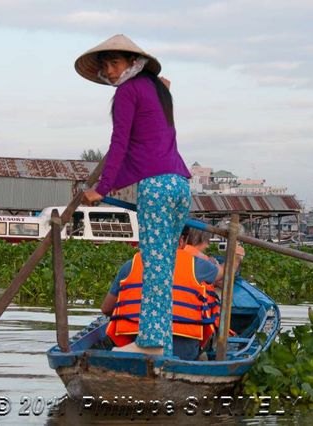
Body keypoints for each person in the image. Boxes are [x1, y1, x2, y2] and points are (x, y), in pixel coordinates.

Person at [76, 34, 192, 356]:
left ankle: (151, 344)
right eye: (106, 66)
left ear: (131, 63)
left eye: (115, 63)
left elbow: (120, 144)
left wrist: (100, 189)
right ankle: (164, 345)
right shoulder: (157, 89)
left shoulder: (129, 91)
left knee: (154, 268)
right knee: (165, 268)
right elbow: (151, 136)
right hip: (180, 185)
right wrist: (161, 87)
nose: (111, 72)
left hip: (156, 188)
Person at [101, 230, 220, 360]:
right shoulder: (197, 264)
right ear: (181, 241)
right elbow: (223, 273)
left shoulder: (131, 264)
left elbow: (106, 309)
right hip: (183, 351)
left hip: (133, 344)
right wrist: (236, 256)